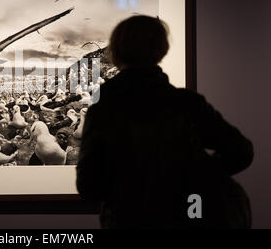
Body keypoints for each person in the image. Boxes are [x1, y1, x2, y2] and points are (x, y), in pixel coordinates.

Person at [76, 15, 253, 229]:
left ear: (116, 52)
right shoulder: (187, 104)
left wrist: (128, 183)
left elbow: (88, 185)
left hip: (129, 220)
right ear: (161, 50)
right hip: (187, 217)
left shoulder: (104, 110)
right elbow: (241, 151)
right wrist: (194, 170)